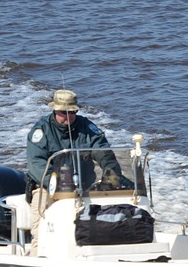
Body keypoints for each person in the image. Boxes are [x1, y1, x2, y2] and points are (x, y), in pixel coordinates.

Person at [25, 89, 122, 249]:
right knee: (41, 235)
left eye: (72, 112)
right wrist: (59, 182)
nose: (69, 117)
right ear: (55, 110)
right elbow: (37, 163)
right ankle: (38, 256)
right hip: (46, 188)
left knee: (108, 225)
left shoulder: (87, 128)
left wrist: (112, 175)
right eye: (64, 113)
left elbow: (103, 152)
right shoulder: (41, 131)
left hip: (84, 188)